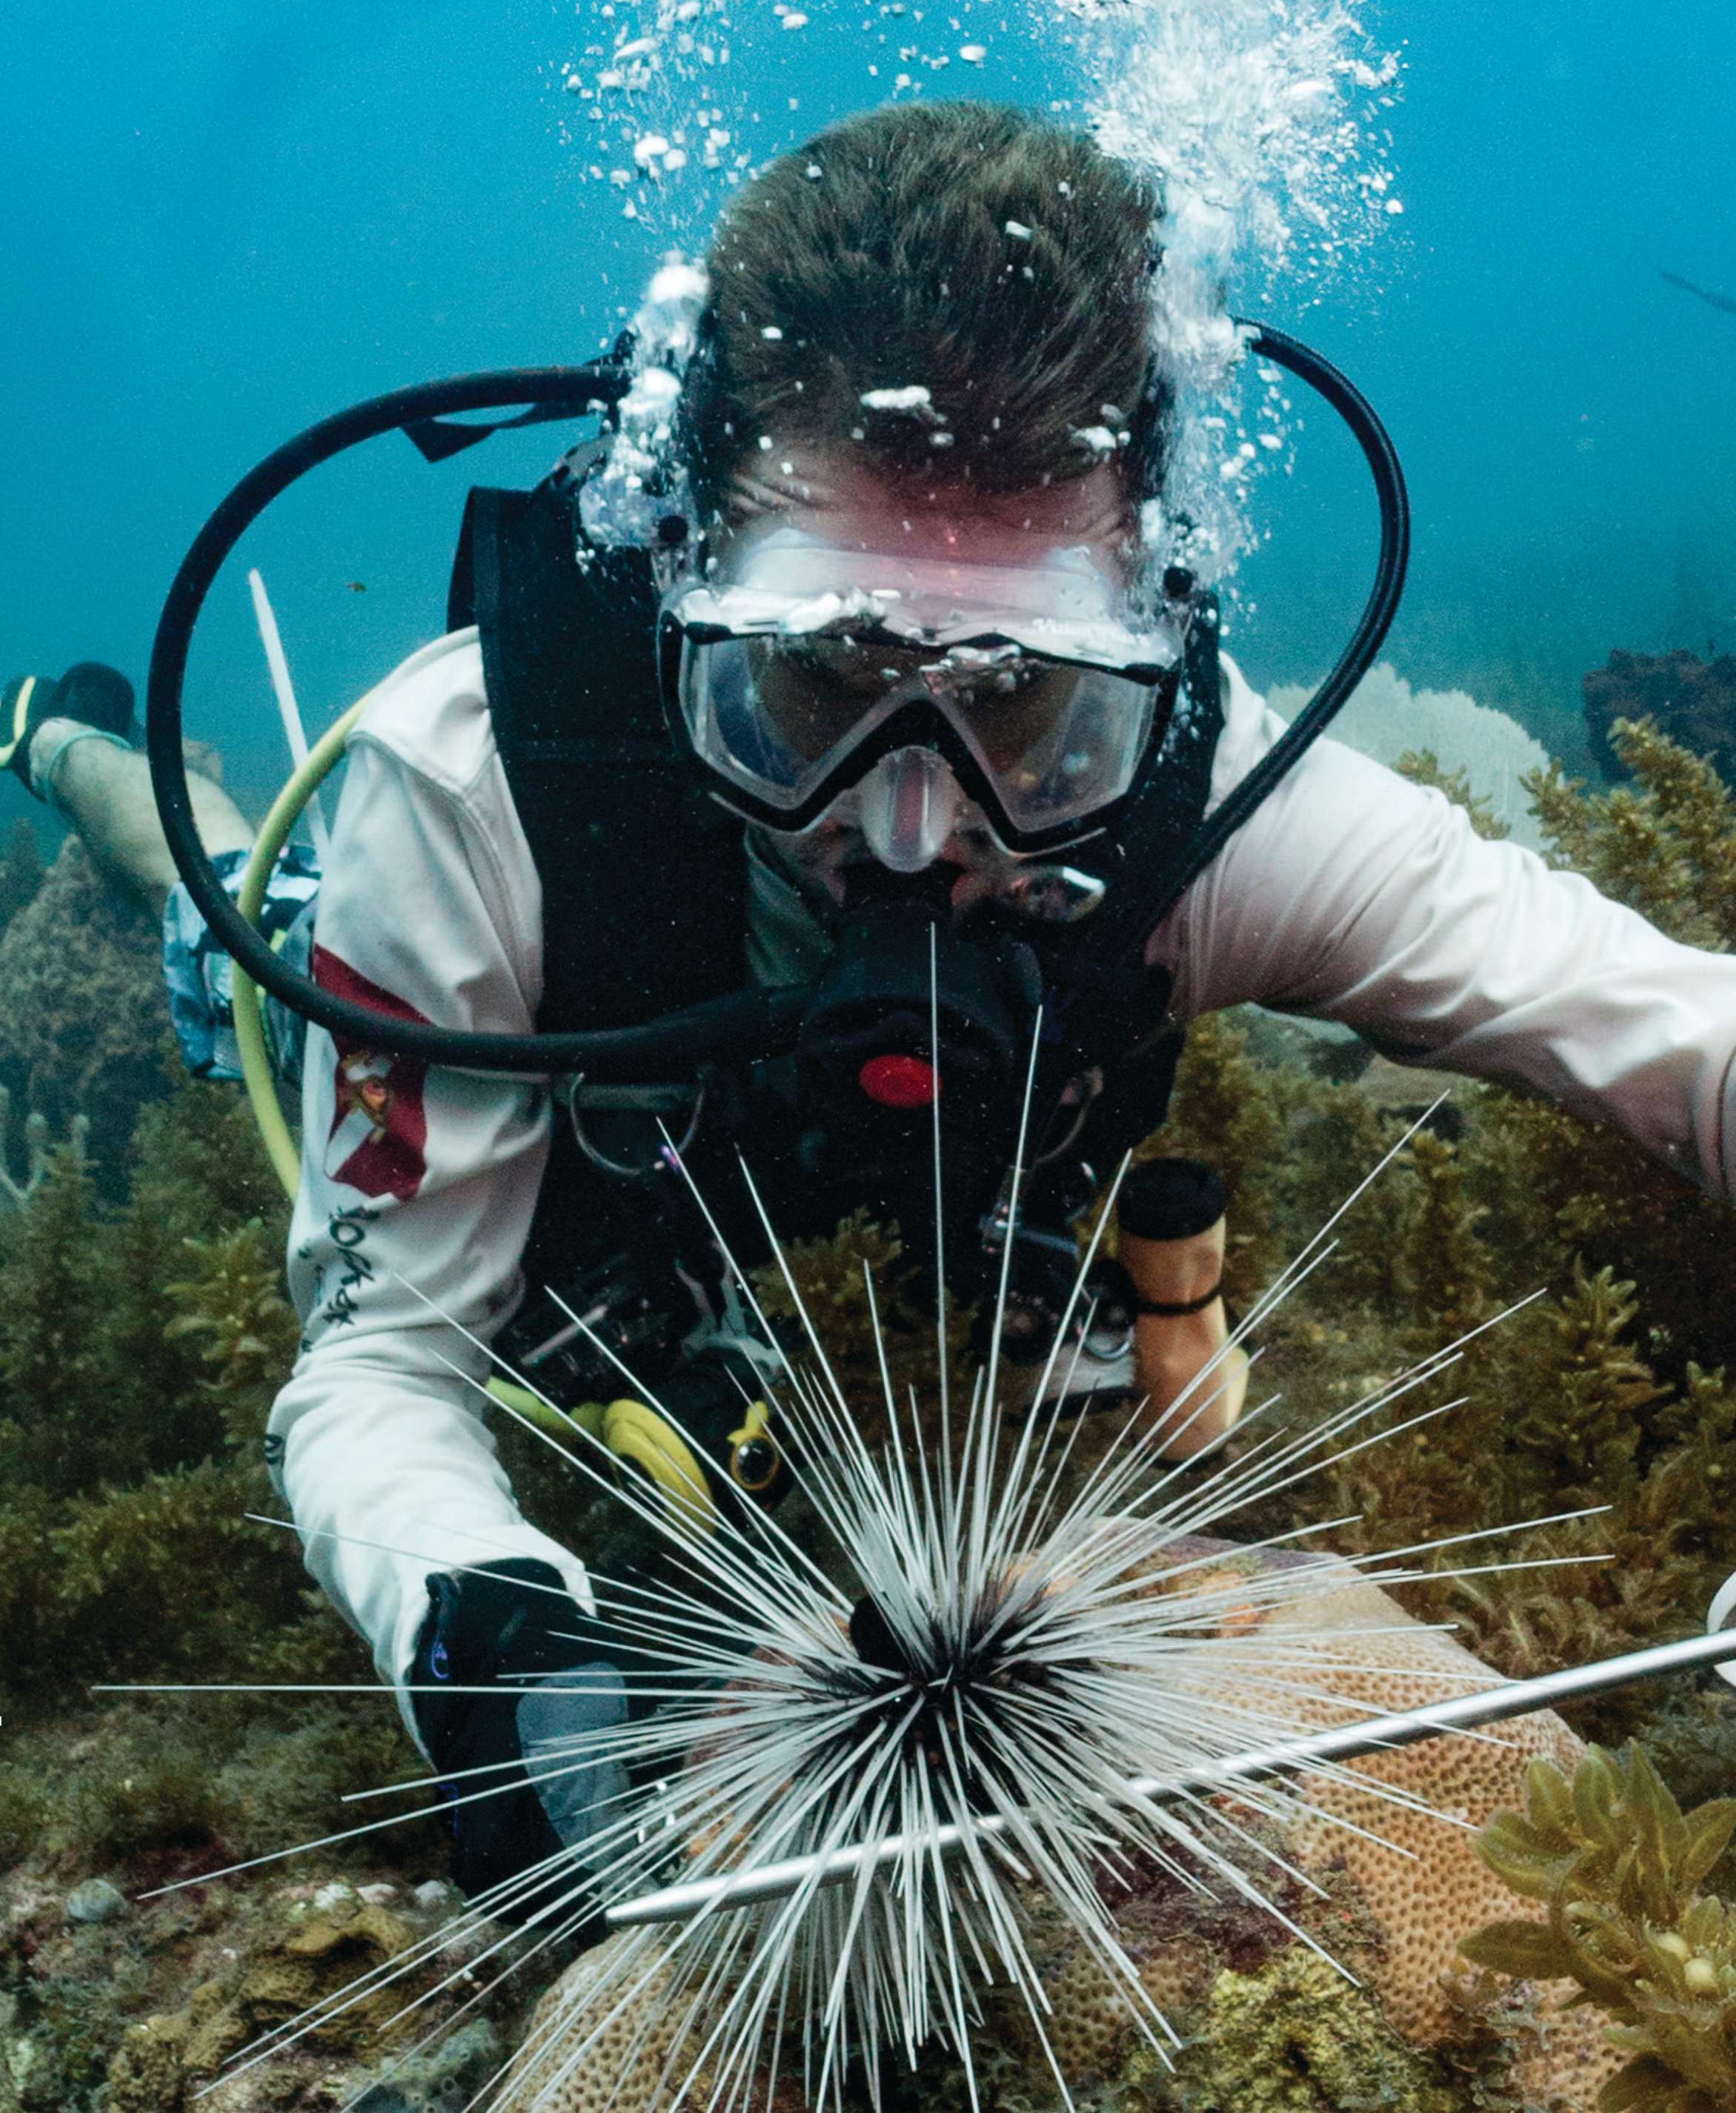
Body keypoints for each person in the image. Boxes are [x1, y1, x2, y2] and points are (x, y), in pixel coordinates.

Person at [13, 101, 1736, 1928]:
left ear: (1147, 628)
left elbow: (1669, 1032)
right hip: (441, 992)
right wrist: (477, 1620)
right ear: (679, 573)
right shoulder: (463, 795)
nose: (904, 823)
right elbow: (380, 1361)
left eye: (1019, 708)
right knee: (216, 927)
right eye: (815, 680)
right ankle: (83, 750)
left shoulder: (1225, 802)